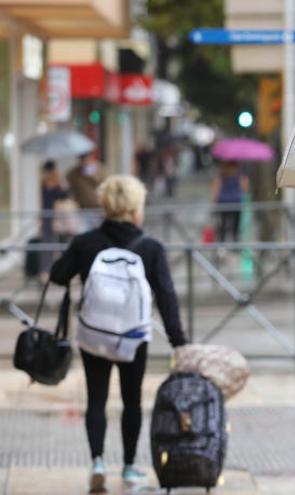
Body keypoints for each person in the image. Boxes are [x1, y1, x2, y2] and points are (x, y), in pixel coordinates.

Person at [50, 175, 187, 492]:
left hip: (93, 335)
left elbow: (58, 275)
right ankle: (128, 466)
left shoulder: (86, 242)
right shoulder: (151, 247)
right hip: (132, 338)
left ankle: (97, 461)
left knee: (96, 399)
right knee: (132, 401)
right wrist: (179, 340)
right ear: (136, 210)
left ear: (106, 207)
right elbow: (166, 296)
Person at [39, 161, 68, 273]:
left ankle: (63, 268)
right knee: (47, 244)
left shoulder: (58, 182)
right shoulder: (43, 183)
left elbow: (65, 196)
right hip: (47, 217)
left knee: (62, 243)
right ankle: (46, 269)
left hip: (59, 217)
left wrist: (61, 183)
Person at [211, 161, 249, 243]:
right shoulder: (239, 173)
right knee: (236, 224)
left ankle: (222, 242)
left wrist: (214, 200)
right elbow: (244, 188)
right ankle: (235, 242)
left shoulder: (221, 173)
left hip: (223, 201)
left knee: (223, 223)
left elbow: (216, 188)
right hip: (236, 201)